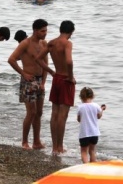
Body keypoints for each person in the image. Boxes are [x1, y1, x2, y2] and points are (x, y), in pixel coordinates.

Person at [7, 20, 49, 150]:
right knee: (31, 112)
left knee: (39, 112)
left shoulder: (44, 44)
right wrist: (23, 73)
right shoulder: (25, 43)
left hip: (40, 79)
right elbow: (11, 59)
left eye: (46, 30)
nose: (45, 33)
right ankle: (24, 141)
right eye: (42, 31)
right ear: (35, 30)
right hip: (28, 81)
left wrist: (43, 82)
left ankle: (37, 141)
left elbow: (45, 64)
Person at [36, 20, 76, 155]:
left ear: (60, 30)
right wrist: (70, 77)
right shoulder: (67, 43)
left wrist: (51, 71)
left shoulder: (51, 42)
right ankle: (60, 147)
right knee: (62, 115)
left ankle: (54, 148)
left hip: (57, 78)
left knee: (54, 114)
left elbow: (38, 59)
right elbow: (69, 61)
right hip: (65, 80)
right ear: (70, 32)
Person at [77, 87, 106, 163]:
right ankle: (92, 166)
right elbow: (99, 116)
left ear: (81, 97)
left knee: (84, 151)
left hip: (84, 134)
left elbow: (79, 119)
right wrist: (102, 109)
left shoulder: (80, 107)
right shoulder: (96, 106)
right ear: (92, 96)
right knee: (92, 151)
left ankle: (86, 167)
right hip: (94, 133)